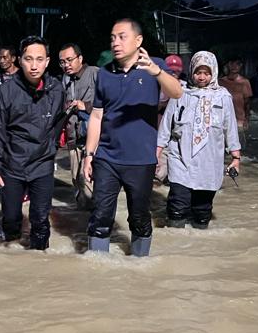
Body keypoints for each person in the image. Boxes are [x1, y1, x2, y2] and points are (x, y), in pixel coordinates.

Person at [82, 19, 183, 257]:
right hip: (107, 156)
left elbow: (177, 92)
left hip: (140, 160)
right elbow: (97, 116)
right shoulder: (104, 75)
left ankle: (140, 266)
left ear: (138, 41)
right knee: (100, 214)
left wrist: (156, 72)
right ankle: (97, 271)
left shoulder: (154, 66)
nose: (115, 42)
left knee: (139, 216)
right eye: (112, 37)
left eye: (122, 36)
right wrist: (89, 155)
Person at [0, 36, 66, 250]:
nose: (34, 65)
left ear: (48, 61)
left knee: (40, 219)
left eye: (39, 59)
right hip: (13, 165)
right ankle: (11, 257)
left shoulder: (56, 89)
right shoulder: (6, 91)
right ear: (19, 60)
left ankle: (39, 263)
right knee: (11, 218)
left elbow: (58, 123)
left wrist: (53, 147)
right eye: (28, 59)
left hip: (42, 165)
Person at [157, 50, 241, 229]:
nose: (202, 77)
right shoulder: (180, 93)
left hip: (210, 161)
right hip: (180, 157)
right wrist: (156, 152)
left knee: (202, 211)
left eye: (206, 72)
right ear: (192, 71)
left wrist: (235, 157)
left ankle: (199, 241)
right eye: (198, 72)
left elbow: (230, 128)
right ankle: (176, 245)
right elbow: (166, 125)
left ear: (213, 73)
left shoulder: (223, 97)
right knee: (177, 206)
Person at [58, 42, 98, 209]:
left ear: (80, 58)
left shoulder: (95, 73)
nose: (66, 65)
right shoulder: (65, 80)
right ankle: (82, 225)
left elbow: (110, 102)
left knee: (88, 181)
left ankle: (95, 222)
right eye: (62, 62)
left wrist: (86, 106)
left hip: (92, 138)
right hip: (73, 137)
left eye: (69, 60)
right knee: (76, 180)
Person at [155, 53, 188, 184]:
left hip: (180, 137)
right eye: (170, 70)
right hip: (160, 135)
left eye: (176, 70)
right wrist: (167, 103)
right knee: (158, 175)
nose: (174, 73)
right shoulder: (156, 86)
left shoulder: (186, 87)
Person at [219, 57, 253, 148]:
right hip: (222, 121)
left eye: (237, 64)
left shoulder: (245, 82)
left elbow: (247, 103)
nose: (234, 66)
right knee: (222, 150)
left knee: (239, 149)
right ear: (228, 65)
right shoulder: (220, 82)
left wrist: (247, 119)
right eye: (232, 63)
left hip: (239, 121)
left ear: (241, 66)